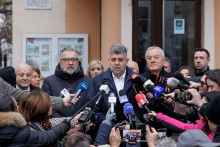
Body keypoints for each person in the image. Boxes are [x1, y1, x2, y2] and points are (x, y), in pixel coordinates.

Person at [88, 44, 144, 123]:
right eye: (113, 60)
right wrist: (107, 121)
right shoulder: (98, 81)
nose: (117, 63)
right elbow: (93, 109)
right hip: (107, 129)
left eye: (120, 60)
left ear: (126, 61)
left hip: (132, 128)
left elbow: (143, 107)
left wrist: (133, 120)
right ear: (109, 60)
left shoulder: (137, 79)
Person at [0, 93, 71, 146]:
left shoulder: (12, 128)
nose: (19, 108)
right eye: (16, 106)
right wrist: (65, 125)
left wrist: (72, 120)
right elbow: (47, 137)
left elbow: (51, 122)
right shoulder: (20, 132)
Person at [42, 48, 92, 117]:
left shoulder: (89, 81)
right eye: (66, 59)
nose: (70, 63)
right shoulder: (49, 81)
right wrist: (65, 124)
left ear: (78, 62)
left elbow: (93, 106)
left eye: (74, 59)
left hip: (82, 125)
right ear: (60, 63)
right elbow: (45, 106)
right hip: (56, 126)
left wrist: (80, 123)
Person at [19, 90, 83, 132]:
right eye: (50, 105)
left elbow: (54, 122)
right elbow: (51, 135)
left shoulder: (40, 122)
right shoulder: (31, 131)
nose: (51, 107)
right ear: (42, 109)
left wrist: (75, 119)